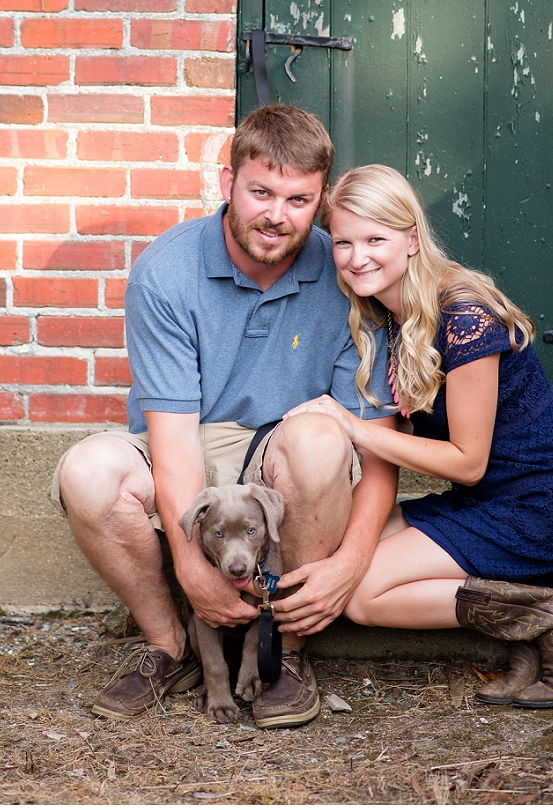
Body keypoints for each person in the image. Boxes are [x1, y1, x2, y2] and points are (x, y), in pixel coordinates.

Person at [50, 104, 400, 728]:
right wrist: (192, 568)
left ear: (319, 201)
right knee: (88, 471)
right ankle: (170, 646)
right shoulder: (167, 271)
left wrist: (349, 567)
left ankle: (285, 653)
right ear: (227, 185)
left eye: (298, 199)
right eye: (260, 191)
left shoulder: (348, 272)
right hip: (186, 438)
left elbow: (377, 445)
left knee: (323, 439)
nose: (275, 214)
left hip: (277, 446)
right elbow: (175, 435)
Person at [287, 162, 553, 709]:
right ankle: (519, 632)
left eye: (375, 239)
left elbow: (467, 461)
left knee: (362, 594)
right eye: (342, 241)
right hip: (482, 505)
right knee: (346, 544)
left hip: (540, 510)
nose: (356, 256)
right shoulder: (388, 315)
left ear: (411, 238)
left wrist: (353, 429)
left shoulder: (463, 316)